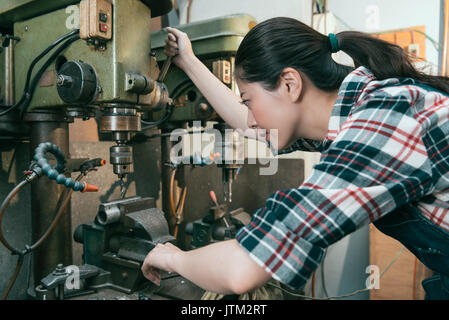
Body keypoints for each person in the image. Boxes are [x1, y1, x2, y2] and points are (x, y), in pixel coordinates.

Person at [141, 17, 449, 299]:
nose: (250, 117)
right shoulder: (357, 111)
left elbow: (243, 269)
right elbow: (249, 125)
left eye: (250, 99)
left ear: (290, 84)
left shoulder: (385, 118)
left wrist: (171, 257)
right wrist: (189, 60)